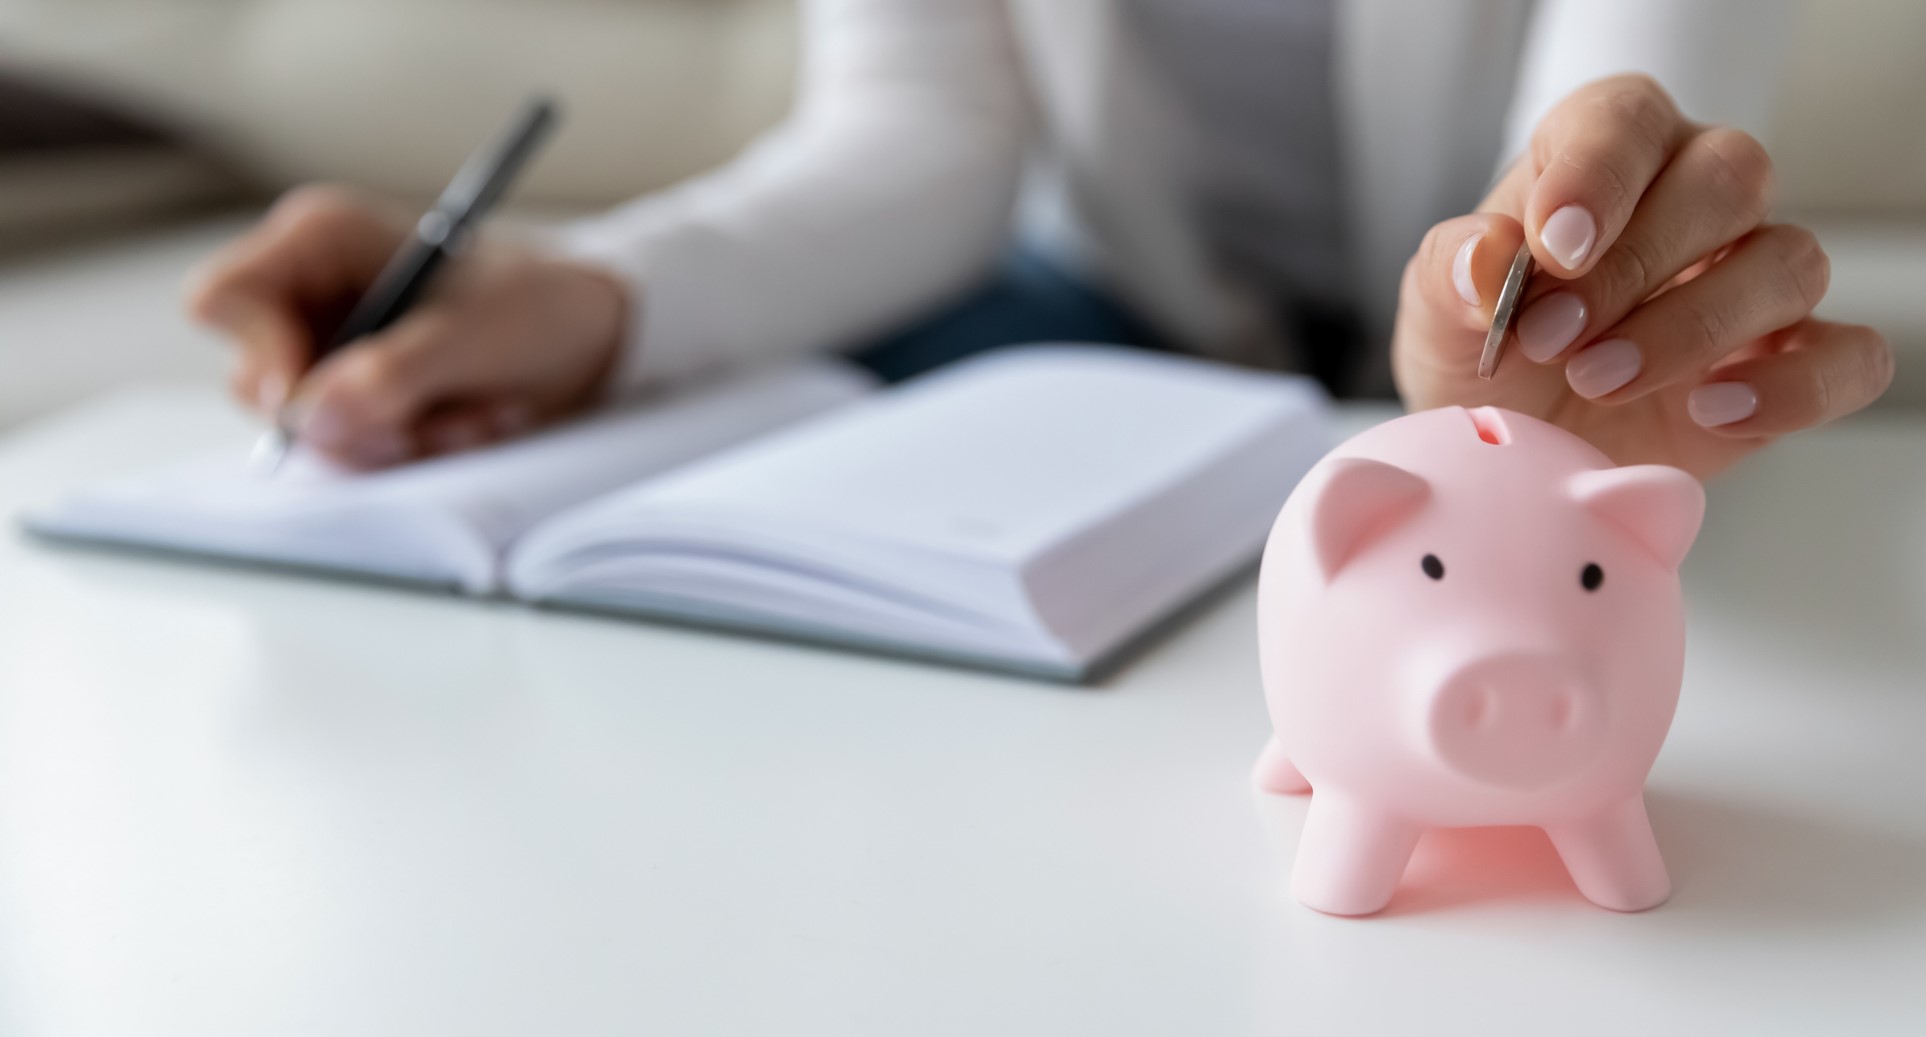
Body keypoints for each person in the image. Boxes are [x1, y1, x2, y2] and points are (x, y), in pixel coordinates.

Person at [185, 0, 1893, 480]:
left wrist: (1563, 284)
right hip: (1101, 295)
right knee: (736, 454)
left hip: (1487, 320)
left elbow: (1634, 87)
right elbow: (919, 129)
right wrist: (599, 293)